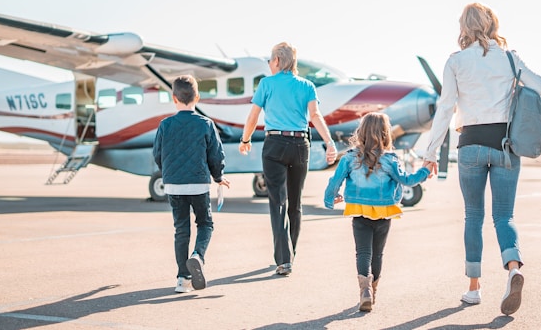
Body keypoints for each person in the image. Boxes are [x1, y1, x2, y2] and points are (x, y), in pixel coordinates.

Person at [423, 3, 541, 315]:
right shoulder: (509, 57)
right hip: (505, 144)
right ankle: (513, 268)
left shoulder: (455, 62)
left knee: (473, 216)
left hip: (470, 145)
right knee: (504, 216)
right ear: (492, 24)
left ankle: (473, 288)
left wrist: (431, 152)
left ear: (464, 27)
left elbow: (446, 107)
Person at [239, 42, 337, 276]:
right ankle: (290, 252)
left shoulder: (267, 84)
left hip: (274, 145)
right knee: (296, 202)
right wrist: (329, 142)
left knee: (278, 202)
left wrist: (245, 139)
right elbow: (315, 115)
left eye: (270, 61)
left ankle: (284, 259)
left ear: (277, 61)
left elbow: (253, 116)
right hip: (300, 144)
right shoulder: (307, 86)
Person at [324, 112, 433, 312]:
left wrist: (330, 199)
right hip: (384, 211)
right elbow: (407, 180)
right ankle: (373, 291)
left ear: (361, 132)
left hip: (359, 211)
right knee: (378, 253)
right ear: (385, 133)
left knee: (363, 252)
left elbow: (335, 180)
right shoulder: (390, 159)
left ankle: (364, 290)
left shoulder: (349, 157)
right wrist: (425, 171)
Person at [153, 75, 230, 293]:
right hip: (198, 184)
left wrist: (168, 172)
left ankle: (182, 279)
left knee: (181, 230)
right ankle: (198, 256)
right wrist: (218, 176)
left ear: (174, 98)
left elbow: (158, 154)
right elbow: (215, 155)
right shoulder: (206, 124)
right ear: (197, 97)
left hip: (174, 185)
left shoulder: (164, 125)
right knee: (205, 224)